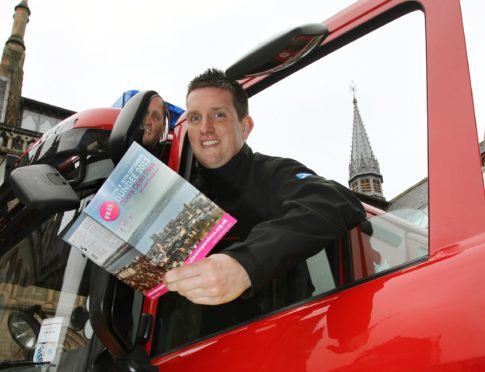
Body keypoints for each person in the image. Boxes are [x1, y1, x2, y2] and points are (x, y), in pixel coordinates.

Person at [162, 68, 366, 336]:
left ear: (245, 126)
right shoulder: (178, 193)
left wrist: (245, 264)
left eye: (218, 115)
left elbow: (337, 201)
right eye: (195, 118)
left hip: (276, 344)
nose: (205, 128)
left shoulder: (272, 175)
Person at [141, 94, 169, 159]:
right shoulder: (129, 147)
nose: (147, 122)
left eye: (155, 117)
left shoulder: (164, 161)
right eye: (147, 113)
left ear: (163, 127)